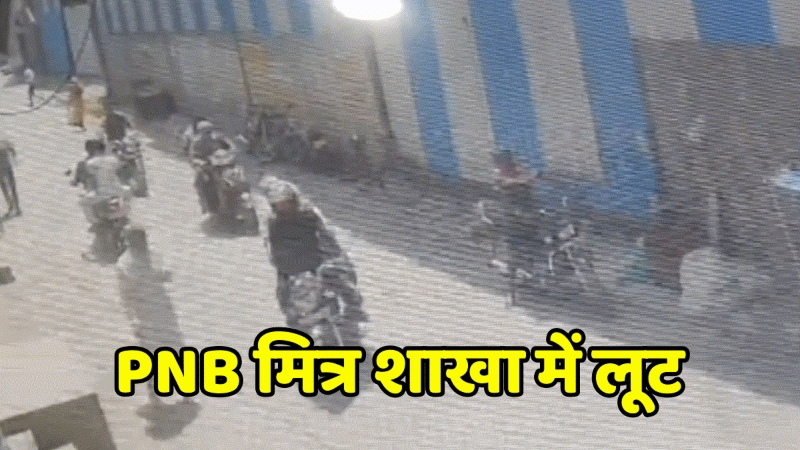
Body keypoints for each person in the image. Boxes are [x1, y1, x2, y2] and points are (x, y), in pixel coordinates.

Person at [263, 178, 365, 324]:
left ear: (293, 200)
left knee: (340, 278)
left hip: (315, 261)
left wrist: (334, 253)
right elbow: (270, 246)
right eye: (279, 204)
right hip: (291, 267)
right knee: (286, 299)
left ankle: (353, 309)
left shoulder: (309, 215)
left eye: (286, 202)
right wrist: (281, 263)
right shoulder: (273, 223)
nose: (283, 206)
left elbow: (327, 233)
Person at [493, 150, 541, 279]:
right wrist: (526, 179)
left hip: (529, 209)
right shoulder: (499, 176)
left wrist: (533, 176)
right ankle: (514, 264)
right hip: (512, 213)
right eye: (500, 163)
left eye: (505, 163)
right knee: (514, 236)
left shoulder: (518, 169)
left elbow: (530, 176)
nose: (502, 166)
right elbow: (508, 182)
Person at [189, 121, 228, 213]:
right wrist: (200, 163)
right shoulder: (197, 143)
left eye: (210, 131)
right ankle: (204, 205)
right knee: (200, 182)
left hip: (217, 165)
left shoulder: (215, 140)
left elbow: (226, 148)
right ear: (200, 132)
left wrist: (226, 153)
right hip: (204, 167)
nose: (209, 134)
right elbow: (194, 157)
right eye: (206, 132)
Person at [0, 139, 21, 218]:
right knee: (9, 189)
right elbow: (11, 149)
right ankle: (13, 206)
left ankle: (13, 206)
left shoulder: (4, 144)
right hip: (6, 169)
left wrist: (13, 154)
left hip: (6, 169)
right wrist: (13, 154)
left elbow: (11, 149)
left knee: (9, 189)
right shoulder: (4, 143)